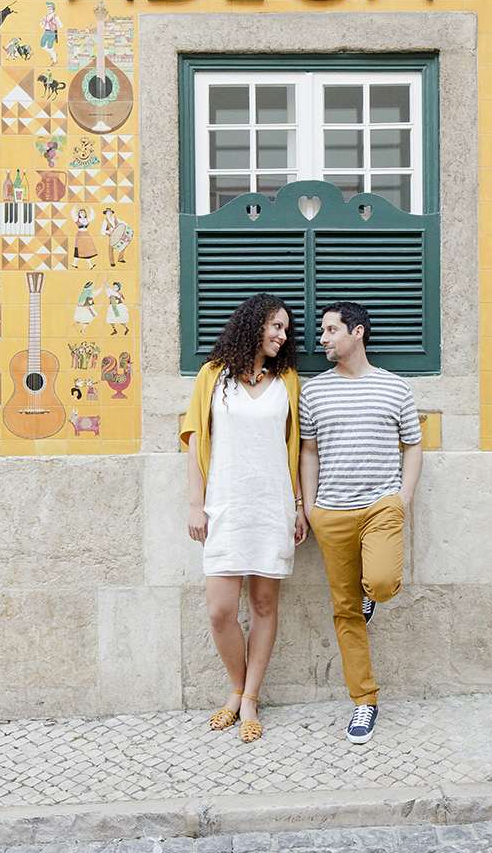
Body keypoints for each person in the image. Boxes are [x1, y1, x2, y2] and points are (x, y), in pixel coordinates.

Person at [180, 294, 306, 745]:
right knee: (220, 611)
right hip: (226, 507)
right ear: (254, 324)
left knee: (265, 606)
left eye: (286, 330)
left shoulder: (288, 380)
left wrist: (297, 505)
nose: (282, 335)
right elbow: (194, 442)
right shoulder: (213, 376)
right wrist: (197, 505)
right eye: (276, 326)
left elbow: (296, 447)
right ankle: (235, 686)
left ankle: (248, 698)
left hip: (271, 505)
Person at [298, 301, 423, 745]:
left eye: (331, 330)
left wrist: (402, 498)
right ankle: (364, 702)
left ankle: (372, 595)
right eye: (321, 332)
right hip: (331, 512)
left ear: (358, 332)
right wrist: (310, 508)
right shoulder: (313, 392)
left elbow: (413, 445)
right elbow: (308, 452)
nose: (322, 339)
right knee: (345, 611)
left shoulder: (395, 389)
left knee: (384, 582)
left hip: (381, 507)